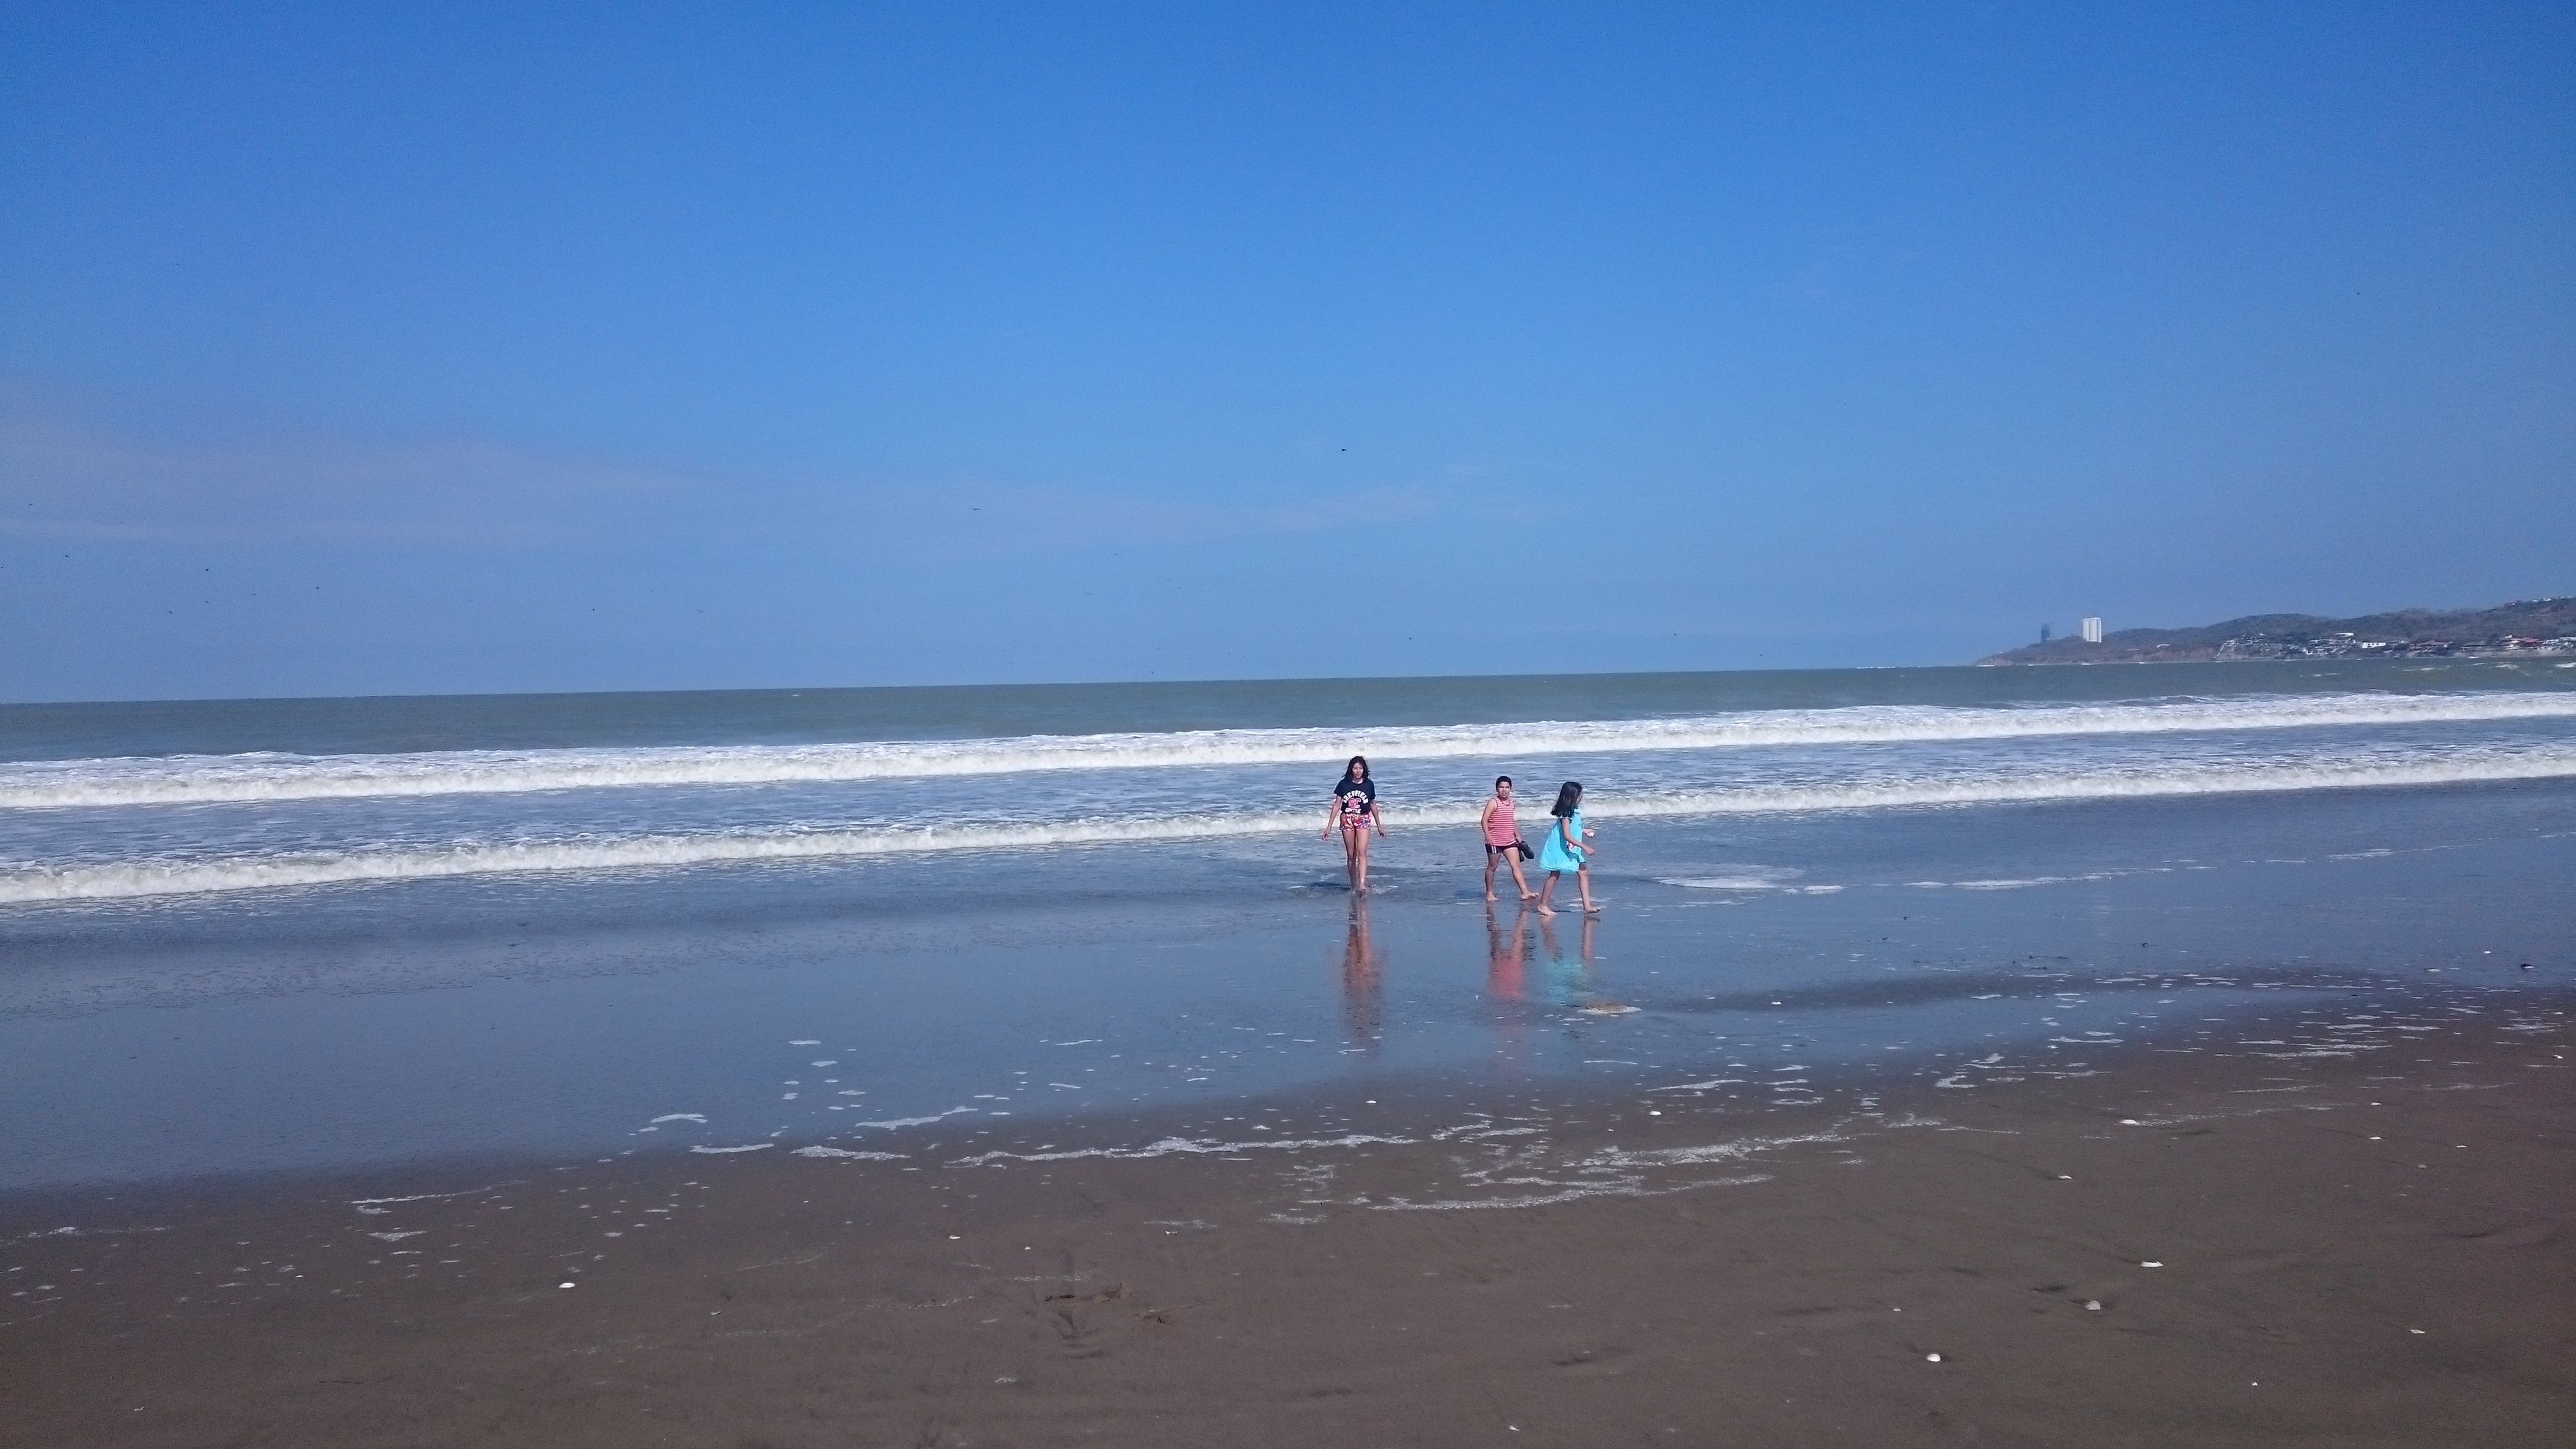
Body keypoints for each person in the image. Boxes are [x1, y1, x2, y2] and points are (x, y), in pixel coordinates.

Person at [1320, 755, 1389, 894]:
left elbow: (1373, 805)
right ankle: (1354, 885)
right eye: (1355, 768)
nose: (1358, 771)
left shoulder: (1369, 784)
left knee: (1362, 852)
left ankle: (1362, 886)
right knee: (1352, 855)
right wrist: (1328, 828)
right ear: (1351, 769)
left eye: (1360, 768)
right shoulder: (1343, 784)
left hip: (1363, 818)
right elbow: (1336, 806)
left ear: (1364, 770)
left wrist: (1379, 825)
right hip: (1347, 819)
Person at [1534, 780, 1598, 916]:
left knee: (1583, 872)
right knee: (1555, 874)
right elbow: (1567, 835)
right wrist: (1585, 847)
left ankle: (1587, 906)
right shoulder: (1566, 814)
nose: (1581, 798)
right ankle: (1543, 905)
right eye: (1579, 795)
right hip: (1561, 847)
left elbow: (1574, 828)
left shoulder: (1575, 810)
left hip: (1571, 846)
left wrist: (1584, 831)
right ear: (1572, 797)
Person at [1480, 775, 1535, 902]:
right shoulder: (1493, 802)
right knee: (1492, 867)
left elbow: (1511, 822)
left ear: (1511, 789)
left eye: (1507, 787)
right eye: (1501, 787)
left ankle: (1525, 892)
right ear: (1497, 789)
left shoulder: (1512, 804)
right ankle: (1489, 892)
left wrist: (1518, 836)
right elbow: (1484, 820)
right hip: (1494, 842)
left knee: (1516, 866)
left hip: (1509, 841)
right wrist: (1488, 836)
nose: (1504, 790)